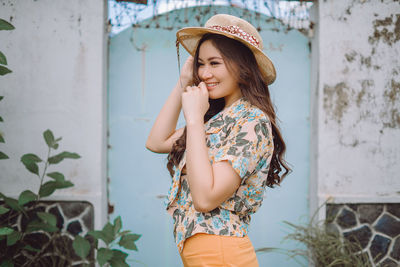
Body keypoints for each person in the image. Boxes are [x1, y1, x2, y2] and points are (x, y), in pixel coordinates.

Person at [146, 14, 290, 267]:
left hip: (220, 252)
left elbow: (205, 199)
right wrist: (183, 83)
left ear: (242, 67)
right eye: (200, 64)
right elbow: (157, 142)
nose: (204, 73)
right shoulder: (218, 121)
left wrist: (193, 119)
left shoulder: (251, 121)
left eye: (215, 63)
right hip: (206, 252)